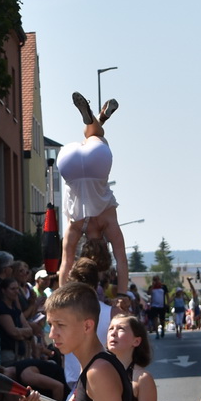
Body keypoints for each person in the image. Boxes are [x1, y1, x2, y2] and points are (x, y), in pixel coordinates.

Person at [56, 92, 129, 294]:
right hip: (69, 165)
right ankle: (98, 118)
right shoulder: (75, 225)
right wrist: (62, 297)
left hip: (97, 165)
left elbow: (122, 258)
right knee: (93, 136)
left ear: (105, 247)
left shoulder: (108, 219)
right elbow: (66, 263)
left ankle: (99, 118)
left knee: (96, 137)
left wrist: (123, 294)